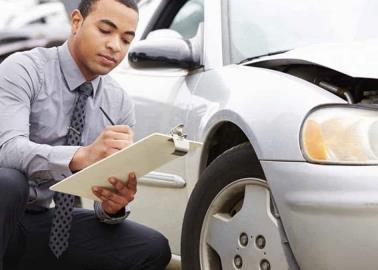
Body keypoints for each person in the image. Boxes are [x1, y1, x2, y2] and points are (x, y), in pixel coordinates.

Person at [0, 0, 171, 269]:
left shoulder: (118, 103)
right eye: (105, 30)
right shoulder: (23, 69)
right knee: (8, 182)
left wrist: (113, 205)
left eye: (126, 40)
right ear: (77, 22)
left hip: (44, 222)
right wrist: (80, 156)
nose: (115, 46)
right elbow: (7, 150)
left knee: (152, 248)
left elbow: (103, 191)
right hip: (5, 206)